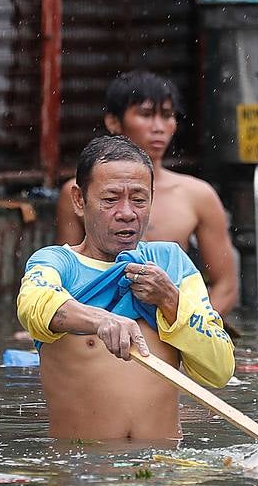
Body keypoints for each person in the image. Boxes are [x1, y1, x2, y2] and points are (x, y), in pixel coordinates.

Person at [20, 135, 235, 440]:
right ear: (80, 201)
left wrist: (170, 301)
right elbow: (35, 305)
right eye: (110, 199)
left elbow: (220, 369)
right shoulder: (56, 262)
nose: (127, 212)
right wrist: (100, 320)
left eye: (138, 199)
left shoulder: (171, 262)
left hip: (164, 472)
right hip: (83, 473)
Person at [56, 70, 239, 317]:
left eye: (167, 116)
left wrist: (195, 329)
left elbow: (226, 285)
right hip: (97, 326)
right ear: (113, 122)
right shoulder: (76, 192)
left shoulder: (198, 195)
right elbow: (64, 277)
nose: (159, 128)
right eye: (145, 114)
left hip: (171, 320)